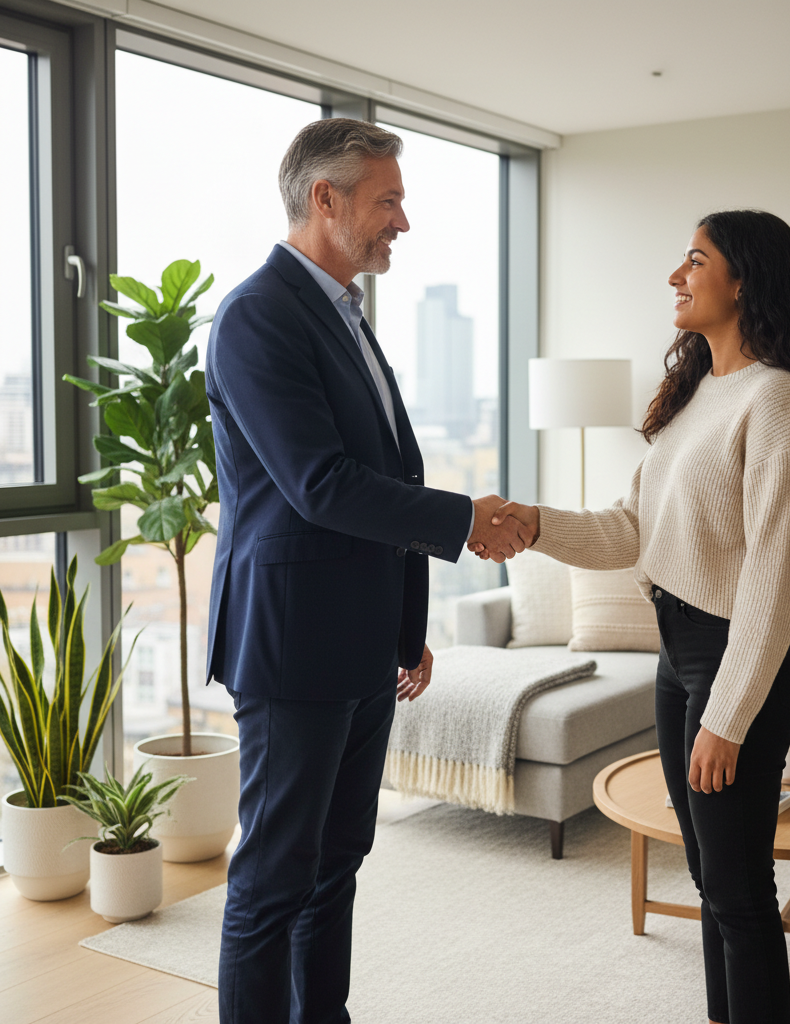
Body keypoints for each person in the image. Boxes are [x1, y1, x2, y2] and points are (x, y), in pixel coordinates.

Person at [476, 210, 790, 1024]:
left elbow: (776, 583)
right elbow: (631, 532)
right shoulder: (695, 398)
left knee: (742, 893)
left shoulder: (776, 401)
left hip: (734, 663)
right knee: (712, 881)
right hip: (676, 658)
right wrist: (534, 523)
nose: (676, 277)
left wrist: (729, 714)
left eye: (694, 260)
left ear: (743, 279)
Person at [205, 118, 530, 1024]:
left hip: (359, 645)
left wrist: (404, 630)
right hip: (293, 646)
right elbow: (320, 485)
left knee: (337, 863)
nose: (402, 221)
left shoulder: (344, 313)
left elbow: (387, 474)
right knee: (273, 879)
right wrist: (469, 521)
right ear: (326, 199)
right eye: (388, 200)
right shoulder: (256, 316)